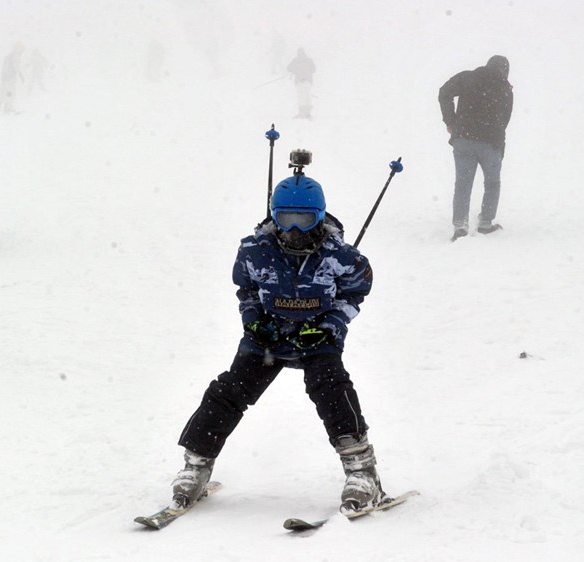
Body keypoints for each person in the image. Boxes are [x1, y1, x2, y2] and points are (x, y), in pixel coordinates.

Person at [167, 170, 387, 513]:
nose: (295, 230)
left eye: (304, 219)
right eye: (286, 219)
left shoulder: (341, 255)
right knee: (230, 391)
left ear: (318, 217)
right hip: (267, 338)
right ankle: (196, 463)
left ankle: (361, 471)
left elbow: (356, 290)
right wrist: (254, 321)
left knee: (331, 388)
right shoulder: (255, 250)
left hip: (316, 338)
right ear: (274, 216)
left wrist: (331, 324)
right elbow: (247, 290)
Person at [438, 55, 513, 241]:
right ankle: (485, 223)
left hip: (464, 139)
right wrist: (499, 146)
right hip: (491, 142)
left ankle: (460, 226)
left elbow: (444, 92)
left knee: (463, 183)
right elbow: (505, 121)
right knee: (492, 183)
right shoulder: (505, 89)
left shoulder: (468, 77)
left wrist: (451, 121)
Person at [287, 48, 316, 119]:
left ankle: (302, 113)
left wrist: (296, 70)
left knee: (301, 96)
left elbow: (288, 68)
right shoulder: (309, 60)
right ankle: (308, 113)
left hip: (299, 80)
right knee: (307, 96)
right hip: (308, 80)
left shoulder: (296, 60)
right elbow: (313, 69)